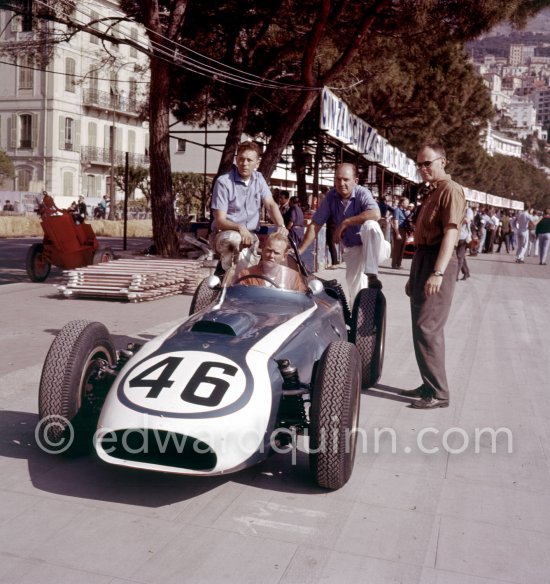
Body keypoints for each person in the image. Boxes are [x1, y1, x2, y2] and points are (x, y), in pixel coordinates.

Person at [401, 142, 466, 409]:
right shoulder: (432, 192)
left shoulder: (450, 190)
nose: (423, 168)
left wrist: (437, 272)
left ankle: (439, 393)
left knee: (429, 327)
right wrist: (414, 274)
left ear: (443, 161)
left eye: (428, 163)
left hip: (438, 258)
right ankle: (428, 382)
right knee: (419, 326)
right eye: (419, 164)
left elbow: (451, 233)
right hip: (422, 257)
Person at [298, 163, 389, 306]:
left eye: (346, 179)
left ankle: (372, 275)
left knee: (370, 225)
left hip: (375, 247)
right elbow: (315, 224)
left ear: (356, 180)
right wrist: (300, 251)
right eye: (338, 179)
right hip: (354, 248)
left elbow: (376, 214)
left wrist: (346, 222)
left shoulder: (362, 193)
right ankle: (358, 321)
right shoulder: (331, 196)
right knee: (355, 290)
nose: (341, 183)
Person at [210, 141, 287, 274]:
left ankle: (229, 281)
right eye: (241, 159)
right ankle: (223, 276)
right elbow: (220, 221)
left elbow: (270, 204)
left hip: (250, 236)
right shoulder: (224, 182)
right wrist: (240, 228)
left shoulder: (259, 179)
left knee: (248, 276)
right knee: (234, 240)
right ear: (236, 159)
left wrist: (281, 225)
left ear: (257, 163)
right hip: (224, 234)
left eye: (249, 160)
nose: (244, 163)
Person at [237, 232, 307, 292]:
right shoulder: (246, 275)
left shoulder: (293, 277)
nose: (271, 255)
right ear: (262, 251)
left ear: (284, 257)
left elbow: (301, 301)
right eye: (268, 250)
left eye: (276, 253)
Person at [391, 196, 410, 269]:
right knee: (397, 248)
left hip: (404, 230)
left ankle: (399, 264)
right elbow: (395, 222)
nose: (407, 204)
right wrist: (397, 233)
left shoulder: (403, 211)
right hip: (399, 229)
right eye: (406, 203)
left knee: (402, 248)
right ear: (402, 203)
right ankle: (394, 264)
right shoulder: (397, 210)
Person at [456, 205, 473, 281]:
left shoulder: (468, 210)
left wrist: (455, 219)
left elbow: (467, 220)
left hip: (464, 237)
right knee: (461, 256)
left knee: (459, 257)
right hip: (457, 236)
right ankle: (466, 272)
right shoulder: (457, 208)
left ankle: (455, 276)